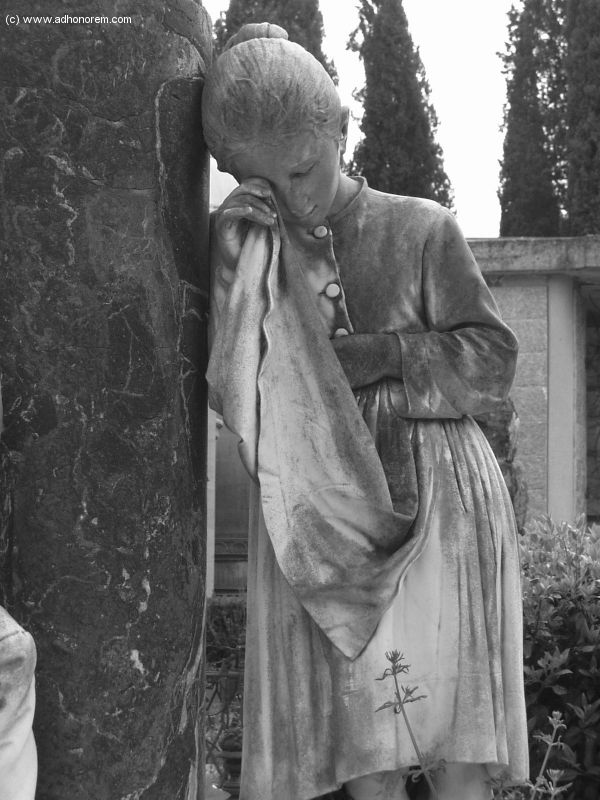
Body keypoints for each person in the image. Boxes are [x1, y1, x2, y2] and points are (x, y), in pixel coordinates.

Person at [203, 23, 528, 800]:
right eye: (261, 182)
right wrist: (240, 276)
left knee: (455, 750)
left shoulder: (420, 226)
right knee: (358, 751)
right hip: (320, 513)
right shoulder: (255, 248)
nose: (290, 197)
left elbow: (493, 363)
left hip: (439, 509)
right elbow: (231, 391)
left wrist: (381, 355)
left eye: (303, 170)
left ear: (340, 131)